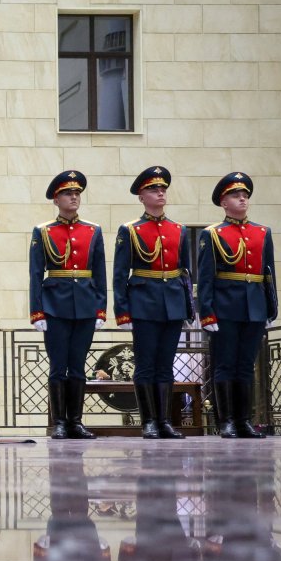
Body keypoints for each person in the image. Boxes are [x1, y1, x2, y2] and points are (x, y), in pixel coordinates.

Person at [113, 166, 190, 439]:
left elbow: (185, 272)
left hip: (172, 304)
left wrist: (188, 308)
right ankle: (148, 422)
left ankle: (164, 420)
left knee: (165, 364)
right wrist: (122, 312)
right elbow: (120, 274)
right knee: (146, 364)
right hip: (143, 303)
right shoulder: (131, 230)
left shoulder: (178, 230)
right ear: (141, 196)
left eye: (163, 189)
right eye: (153, 189)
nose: (160, 193)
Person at [197, 172, 275, 439]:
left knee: (245, 366)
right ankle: (226, 421)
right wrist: (207, 313)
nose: (242, 198)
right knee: (225, 365)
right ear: (223, 203)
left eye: (245, 195)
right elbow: (205, 278)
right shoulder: (213, 234)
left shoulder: (262, 232)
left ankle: (244, 420)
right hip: (225, 307)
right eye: (235, 195)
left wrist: (270, 309)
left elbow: (268, 273)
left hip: (254, 306)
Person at [30, 170, 106, 439]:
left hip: (85, 305)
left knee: (78, 366)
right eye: (67, 193)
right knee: (57, 366)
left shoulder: (93, 231)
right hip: (54, 306)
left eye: (77, 193)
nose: (74, 197)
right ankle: (59, 421)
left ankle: (75, 421)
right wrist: (37, 311)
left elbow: (99, 272)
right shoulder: (43, 232)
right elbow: (36, 274)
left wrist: (100, 307)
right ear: (56, 199)